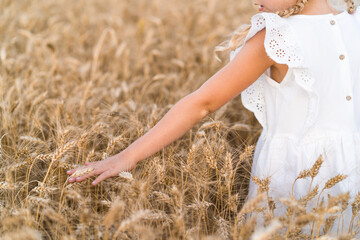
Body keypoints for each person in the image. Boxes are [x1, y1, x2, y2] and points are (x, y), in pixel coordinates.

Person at [67, 0, 360, 237]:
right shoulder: (354, 20)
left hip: (294, 178)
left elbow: (203, 103)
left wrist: (127, 156)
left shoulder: (276, 37)